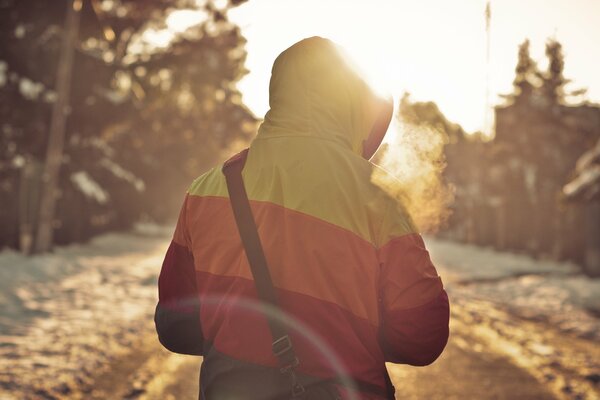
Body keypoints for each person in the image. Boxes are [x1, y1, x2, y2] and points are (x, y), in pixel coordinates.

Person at [155, 37, 449, 400]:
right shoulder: (379, 197)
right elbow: (422, 336)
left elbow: (175, 324)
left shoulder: (207, 188)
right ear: (356, 109)